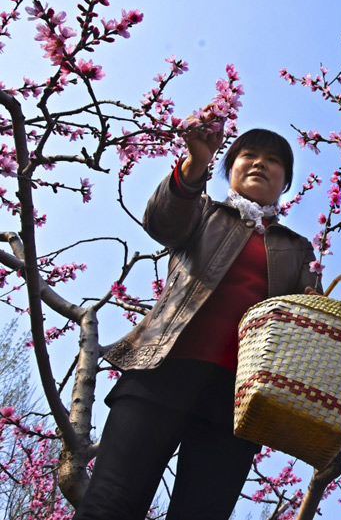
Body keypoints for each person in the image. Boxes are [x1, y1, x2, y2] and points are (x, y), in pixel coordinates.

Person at [75, 123, 320, 520]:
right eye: (249, 154)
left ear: (285, 182)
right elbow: (162, 222)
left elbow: (305, 323)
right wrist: (194, 165)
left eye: (273, 160)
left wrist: (313, 311)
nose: (260, 163)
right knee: (110, 505)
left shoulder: (298, 249)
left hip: (236, 403)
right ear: (230, 167)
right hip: (161, 371)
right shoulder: (204, 211)